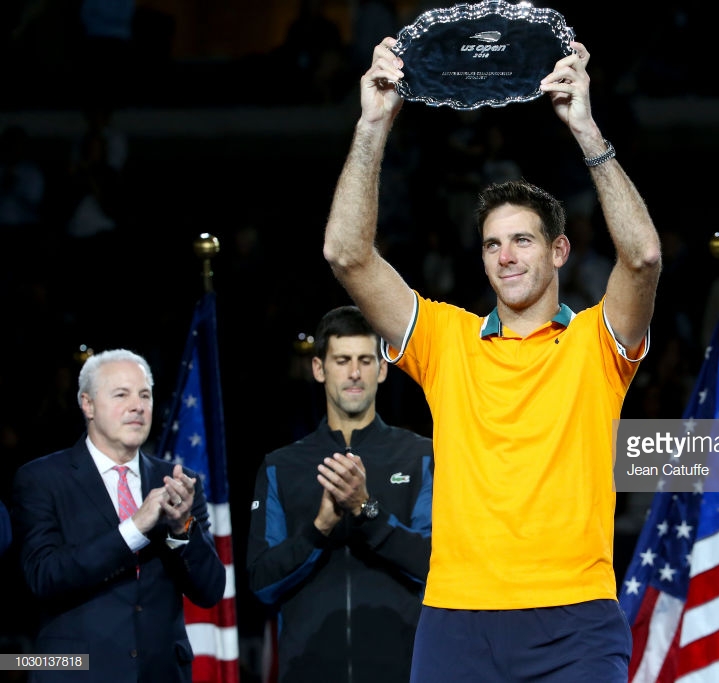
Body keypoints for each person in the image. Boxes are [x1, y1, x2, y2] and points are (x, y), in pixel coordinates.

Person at [322, 37, 661, 682]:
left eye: (523, 240)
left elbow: (642, 257)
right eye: (492, 245)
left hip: (575, 622)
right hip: (458, 620)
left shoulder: (597, 342)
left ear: (559, 251)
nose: (506, 256)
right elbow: (346, 254)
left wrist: (585, 129)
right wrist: (372, 126)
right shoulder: (445, 341)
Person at [10, 349, 226, 682]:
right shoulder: (41, 479)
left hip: (162, 672)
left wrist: (181, 529)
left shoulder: (180, 481)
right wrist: (135, 528)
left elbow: (210, 590)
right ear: (88, 404)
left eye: (145, 395)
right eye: (121, 394)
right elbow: (44, 577)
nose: (138, 406)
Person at [247, 306, 433, 683]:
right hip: (307, 672)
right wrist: (320, 527)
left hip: (400, 671)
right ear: (319, 369)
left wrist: (367, 510)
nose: (353, 373)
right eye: (342, 360)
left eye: (365, 360)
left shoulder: (420, 456)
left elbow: (438, 566)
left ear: (382, 369)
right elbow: (261, 583)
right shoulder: (280, 466)